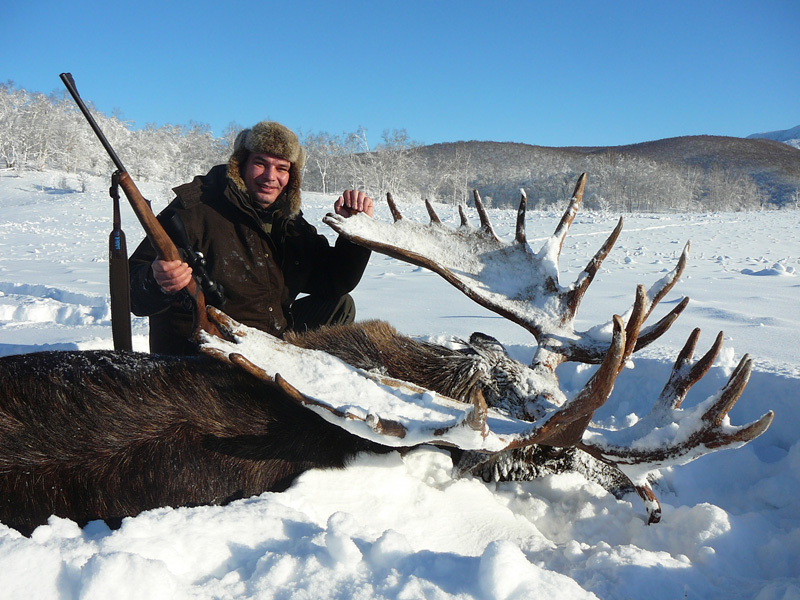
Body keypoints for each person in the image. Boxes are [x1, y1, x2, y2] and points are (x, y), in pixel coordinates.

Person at [129, 120, 373, 355]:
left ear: (291, 177)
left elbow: (333, 281)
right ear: (241, 165)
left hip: (268, 341)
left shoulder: (286, 221)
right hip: (205, 351)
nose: (270, 176)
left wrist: (356, 235)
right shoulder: (195, 210)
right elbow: (131, 290)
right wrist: (156, 280)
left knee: (339, 306)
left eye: (282, 168)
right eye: (260, 163)